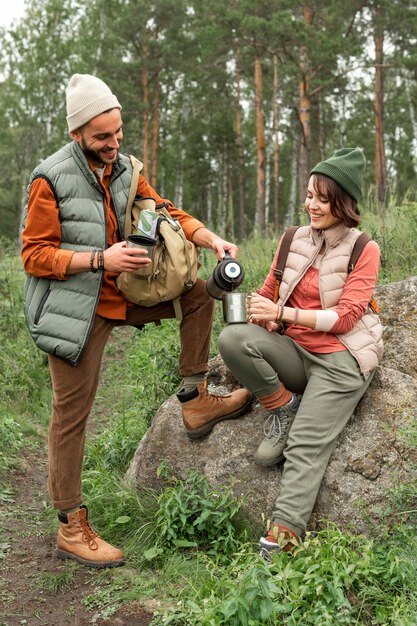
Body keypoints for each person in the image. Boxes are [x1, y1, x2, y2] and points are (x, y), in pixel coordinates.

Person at [21, 73, 251, 569]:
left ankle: (194, 399)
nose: (114, 143)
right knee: (71, 416)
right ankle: (70, 526)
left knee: (198, 292)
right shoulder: (50, 179)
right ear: (77, 133)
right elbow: (35, 256)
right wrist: (101, 259)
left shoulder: (125, 168)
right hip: (74, 311)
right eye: (103, 136)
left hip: (126, 294)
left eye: (118, 132)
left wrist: (208, 239)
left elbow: (162, 209)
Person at [218, 148, 383, 560]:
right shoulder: (292, 238)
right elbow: (271, 289)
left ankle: (282, 538)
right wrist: (256, 309)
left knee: (306, 446)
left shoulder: (364, 248)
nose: (311, 205)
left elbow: (346, 318)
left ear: (343, 202)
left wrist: (285, 314)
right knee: (233, 340)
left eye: (322, 199)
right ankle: (283, 406)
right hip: (297, 350)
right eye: (309, 195)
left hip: (341, 360)